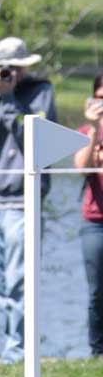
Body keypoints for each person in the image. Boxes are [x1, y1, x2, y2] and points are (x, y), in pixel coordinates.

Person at [0, 36, 56, 363]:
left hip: (23, 200)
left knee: (20, 281)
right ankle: (11, 345)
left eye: (14, 69)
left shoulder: (40, 92)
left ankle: (18, 351)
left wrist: (13, 99)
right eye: (4, 70)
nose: (8, 75)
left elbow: (34, 138)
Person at [74, 72, 103, 357]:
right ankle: (97, 352)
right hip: (95, 223)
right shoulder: (86, 132)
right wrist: (94, 129)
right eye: (101, 98)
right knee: (97, 293)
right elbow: (82, 167)